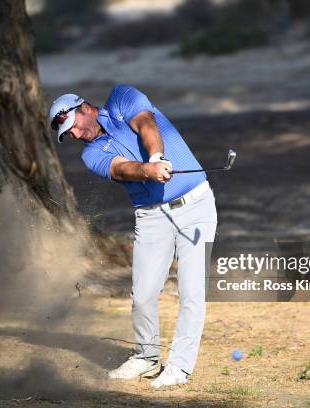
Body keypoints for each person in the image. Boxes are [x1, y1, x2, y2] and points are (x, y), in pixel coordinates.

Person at [49, 85, 217, 389]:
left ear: (84, 108)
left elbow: (146, 124)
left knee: (192, 291)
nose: (73, 135)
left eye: (71, 127)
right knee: (142, 295)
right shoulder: (91, 154)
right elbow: (122, 169)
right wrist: (149, 169)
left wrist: (157, 156)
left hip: (196, 206)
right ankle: (146, 356)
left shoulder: (121, 98)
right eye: (67, 134)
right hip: (151, 217)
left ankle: (179, 366)